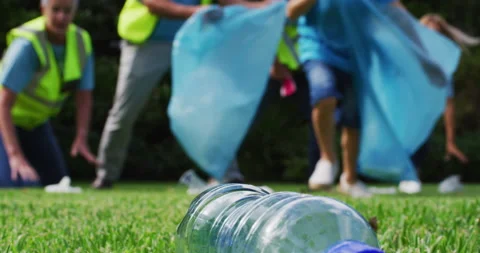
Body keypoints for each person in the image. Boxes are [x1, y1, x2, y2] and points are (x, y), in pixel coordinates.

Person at [92, 0, 278, 189]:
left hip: (193, 41)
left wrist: (267, 6)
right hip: (146, 43)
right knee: (124, 112)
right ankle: (105, 175)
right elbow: (152, 3)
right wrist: (196, 11)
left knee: (212, 110)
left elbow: (227, 1)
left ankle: (228, 175)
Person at [0, 0, 96, 187]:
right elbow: (3, 102)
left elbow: (84, 95)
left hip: (36, 124)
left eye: (67, 11)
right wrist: (15, 156)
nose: (61, 17)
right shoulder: (27, 45)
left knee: (59, 183)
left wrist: (81, 137)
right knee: (17, 183)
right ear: (43, 9)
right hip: (5, 122)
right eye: (56, 10)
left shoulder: (81, 41)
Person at [399, 13, 480, 194]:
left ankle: (410, 175)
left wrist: (450, 142)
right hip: (402, 114)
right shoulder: (406, 55)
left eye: (436, 35)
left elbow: (448, 104)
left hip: (422, 118)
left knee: (420, 140)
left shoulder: (443, 69)